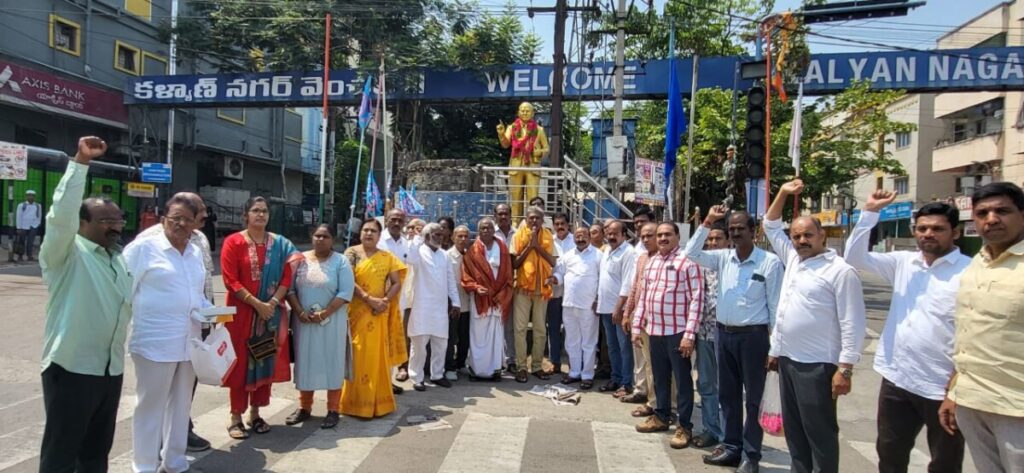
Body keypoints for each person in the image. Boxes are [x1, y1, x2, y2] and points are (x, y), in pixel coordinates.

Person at [845, 191, 969, 473]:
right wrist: (870, 212)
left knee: (945, 462)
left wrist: (956, 390)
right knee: (889, 453)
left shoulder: (969, 272)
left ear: (956, 233)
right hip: (897, 379)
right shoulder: (903, 262)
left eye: (937, 229)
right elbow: (854, 257)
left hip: (943, 388)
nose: (928, 234)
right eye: (922, 229)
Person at [38, 137, 131, 473]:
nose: (115, 225)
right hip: (72, 370)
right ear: (82, 224)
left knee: (95, 455)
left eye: (118, 219)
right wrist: (79, 163)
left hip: (110, 371)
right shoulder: (66, 254)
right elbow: (61, 215)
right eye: (106, 221)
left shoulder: (117, 259)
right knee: (61, 455)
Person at [764, 179, 866, 473]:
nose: (801, 241)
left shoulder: (841, 271)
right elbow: (771, 224)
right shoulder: (795, 260)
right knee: (795, 434)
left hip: (818, 366)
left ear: (822, 235)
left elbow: (853, 323)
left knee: (819, 434)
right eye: (796, 236)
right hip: (788, 360)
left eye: (808, 234)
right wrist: (783, 192)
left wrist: (845, 369)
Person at [685, 206, 783, 472]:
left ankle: (751, 455)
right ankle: (731, 447)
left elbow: (775, 308)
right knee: (727, 396)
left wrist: (776, 348)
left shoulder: (770, 263)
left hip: (754, 339)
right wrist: (706, 222)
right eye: (732, 229)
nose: (736, 233)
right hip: (723, 335)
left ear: (754, 231)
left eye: (741, 229)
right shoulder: (723, 258)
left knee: (753, 399)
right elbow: (691, 253)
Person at [939, 182, 1024, 473]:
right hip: (972, 401)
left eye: (1003, 211)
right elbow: (967, 335)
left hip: (1016, 409)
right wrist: (954, 392)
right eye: (982, 212)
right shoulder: (979, 262)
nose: (991, 219)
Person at [123, 195, 208, 473]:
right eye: (175, 218)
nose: (181, 224)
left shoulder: (194, 253)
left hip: (188, 341)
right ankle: (145, 466)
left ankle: (174, 462)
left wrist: (213, 311)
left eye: (187, 219)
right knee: (150, 406)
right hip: (154, 342)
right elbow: (122, 292)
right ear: (164, 219)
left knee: (181, 406)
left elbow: (196, 295)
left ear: (195, 225)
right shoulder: (144, 248)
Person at [220, 196, 302, 439]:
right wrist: (257, 304)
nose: (260, 215)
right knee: (240, 364)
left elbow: (287, 277)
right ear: (246, 215)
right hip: (241, 314)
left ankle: (255, 414)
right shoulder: (233, 242)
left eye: (264, 211)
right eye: (255, 210)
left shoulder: (280, 244)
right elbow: (229, 280)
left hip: (269, 315)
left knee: (263, 359)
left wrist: (272, 303)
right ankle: (235, 417)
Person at [631, 222, 703, 450]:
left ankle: (684, 426)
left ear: (677, 236)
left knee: (682, 382)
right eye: (659, 235)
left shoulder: (688, 262)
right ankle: (661, 416)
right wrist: (636, 325)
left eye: (667, 234)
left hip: (678, 332)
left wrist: (689, 334)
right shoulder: (652, 262)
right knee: (659, 378)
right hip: (655, 330)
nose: (662, 238)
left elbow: (697, 299)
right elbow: (644, 297)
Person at [284, 224, 355, 429]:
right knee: (306, 363)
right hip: (304, 323)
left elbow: (345, 292)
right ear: (311, 236)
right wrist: (299, 311)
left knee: (332, 362)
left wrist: (325, 312)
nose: (320, 239)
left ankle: (333, 409)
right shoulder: (299, 260)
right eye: (317, 235)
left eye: (325, 236)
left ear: (333, 239)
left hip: (332, 323)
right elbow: (289, 290)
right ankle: (304, 407)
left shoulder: (341, 261)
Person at [342, 219, 409, 418]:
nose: (369, 234)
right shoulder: (351, 253)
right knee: (357, 356)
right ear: (360, 233)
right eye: (365, 230)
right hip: (357, 313)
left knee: (377, 358)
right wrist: (368, 299)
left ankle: (379, 403)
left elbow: (396, 282)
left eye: (373, 231)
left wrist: (384, 301)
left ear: (380, 236)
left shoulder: (387, 257)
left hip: (378, 312)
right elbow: (348, 281)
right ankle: (354, 403)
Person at [407, 223, 462, 391]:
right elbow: (409, 258)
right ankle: (417, 377)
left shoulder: (445, 255)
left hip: (439, 308)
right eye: (436, 234)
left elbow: (450, 280)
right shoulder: (418, 252)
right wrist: (417, 237)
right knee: (419, 345)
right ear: (427, 236)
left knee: (441, 344)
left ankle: (437, 375)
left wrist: (456, 302)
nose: (439, 237)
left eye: (441, 235)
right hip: (421, 306)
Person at [460, 218, 514, 380]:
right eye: (482, 228)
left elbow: (508, 274)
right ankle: (478, 371)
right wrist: (476, 287)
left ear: (493, 230)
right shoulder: (472, 251)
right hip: (480, 299)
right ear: (478, 231)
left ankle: (495, 369)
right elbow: (466, 275)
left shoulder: (502, 247)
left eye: (489, 228)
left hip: (498, 297)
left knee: (496, 335)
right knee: (478, 334)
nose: (486, 230)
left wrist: (502, 292)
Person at [549, 226, 601, 389]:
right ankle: (574, 372)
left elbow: (602, 279)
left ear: (589, 237)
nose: (580, 238)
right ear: (574, 238)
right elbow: (560, 273)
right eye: (578, 236)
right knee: (572, 341)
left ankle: (587, 375)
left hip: (588, 305)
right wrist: (555, 279)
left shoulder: (598, 255)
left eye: (584, 235)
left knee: (588, 342)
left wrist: (598, 299)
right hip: (569, 304)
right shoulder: (568, 255)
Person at [621, 222, 662, 418]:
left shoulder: (666, 259)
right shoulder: (642, 258)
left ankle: (656, 403)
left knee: (654, 364)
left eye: (650, 236)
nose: (646, 240)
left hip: (659, 321)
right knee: (642, 361)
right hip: (640, 318)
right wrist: (628, 312)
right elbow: (635, 287)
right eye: (643, 236)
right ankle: (642, 392)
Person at [511, 206, 556, 383]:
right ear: (526, 219)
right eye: (531, 218)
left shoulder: (548, 236)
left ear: (543, 220)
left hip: (541, 288)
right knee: (520, 328)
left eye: (538, 218)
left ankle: (536, 366)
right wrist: (530, 246)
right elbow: (515, 264)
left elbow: (552, 261)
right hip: (522, 287)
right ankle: (521, 367)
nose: (534, 221)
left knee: (539, 329)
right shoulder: (518, 236)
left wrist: (538, 247)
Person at [597, 220, 637, 397]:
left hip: (619, 309)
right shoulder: (606, 250)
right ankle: (616, 378)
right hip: (605, 307)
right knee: (612, 347)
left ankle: (626, 383)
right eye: (609, 233)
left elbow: (628, 283)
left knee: (624, 347)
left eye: (615, 233)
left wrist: (619, 308)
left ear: (624, 234)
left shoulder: (629, 253)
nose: (611, 236)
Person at [496, 101, 549, 220]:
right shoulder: (512, 128)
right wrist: (501, 134)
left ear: (533, 113)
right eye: (522, 110)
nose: (525, 112)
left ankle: (532, 220)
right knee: (515, 196)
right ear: (518, 112)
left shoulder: (539, 130)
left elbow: (546, 148)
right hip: (516, 165)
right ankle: (515, 220)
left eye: (528, 110)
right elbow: (505, 144)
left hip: (532, 166)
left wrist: (538, 152)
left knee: (533, 197)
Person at [379, 208, 413, 384]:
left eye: (400, 220)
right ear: (387, 220)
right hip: (380, 298)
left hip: (401, 300)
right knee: (380, 338)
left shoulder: (407, 244)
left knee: (395, 337)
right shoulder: (379, 241)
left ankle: (390, 380)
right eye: (393, 219)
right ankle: (382, 380)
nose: (397, 223)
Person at [545, 212, 576, 376]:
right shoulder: (549, 241)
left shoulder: (575, 240)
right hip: (554, 292)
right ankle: (555, 362)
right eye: (556, 224)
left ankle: (574, 364)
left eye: (562, 223)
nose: (559, 227)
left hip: (572, 293)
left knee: (571, 330)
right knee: (554, 328)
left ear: (568, 224)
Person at [444, 225, 472, 381]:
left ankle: (460, 363)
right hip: (452, 305)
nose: (463, 239)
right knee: (450, 337)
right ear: (453, 238)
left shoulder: (470, 256)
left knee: (464, 337)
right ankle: (449, 367)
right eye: (459, 236)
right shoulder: (447, 256)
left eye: (465, 236)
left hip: (467, 303)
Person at [493, 203, 517, 371]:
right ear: (495, 216)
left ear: (511, 215)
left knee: (510, 324)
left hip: (515, 285)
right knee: (494, 323)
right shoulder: (489, 233)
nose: (503, 216)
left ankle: (510, 360)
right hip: (495, 286)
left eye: (506, 213)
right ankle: (495, 360)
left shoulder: (518, 234)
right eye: (500, 214)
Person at [12, 189, 42, 262]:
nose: (30, 197)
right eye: (29, 195)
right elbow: (18, 216)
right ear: (26, 196)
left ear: (34, 197)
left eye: (32, 196)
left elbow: (39, 216)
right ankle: (20, 256)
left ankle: (29, 255)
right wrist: (18, 227)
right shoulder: (21, 205)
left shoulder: (38, 206)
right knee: (21, 241)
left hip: (33, 225)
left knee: (30, 241)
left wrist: (37, 224)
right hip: (23, 225)